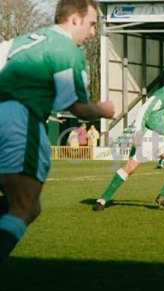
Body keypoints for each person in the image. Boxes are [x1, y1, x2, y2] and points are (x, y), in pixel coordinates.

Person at [0, 0, 115, 263]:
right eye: (91, 24)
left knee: (24, 204)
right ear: (74, 19)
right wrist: (103, 110)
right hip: (18, 119)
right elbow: (77, 107)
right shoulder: (67, 50)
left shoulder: (20, 42)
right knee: (25, 206)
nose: (93, 32)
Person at [94, 66, 164, 211]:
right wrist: (137, 134)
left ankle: (163, 196)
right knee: (130, 168)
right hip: (149, 136)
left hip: (163, 138)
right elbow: (143, 111)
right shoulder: (161, 95)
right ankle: (103, 199)